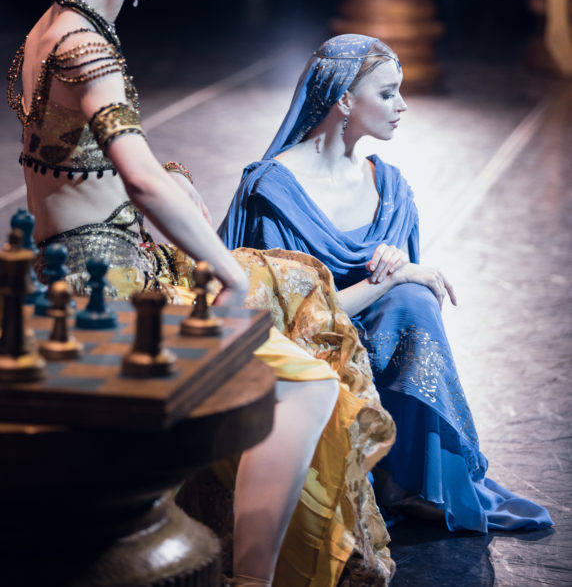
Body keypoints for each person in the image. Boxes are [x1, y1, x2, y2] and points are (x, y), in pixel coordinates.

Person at [8, 0, 395, 587]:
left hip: (81, 262)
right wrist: (216, 262)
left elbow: (85, 164)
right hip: (111, 285)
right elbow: (137, 178)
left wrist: (171, 185)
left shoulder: (48, 27)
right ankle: (250, 579)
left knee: (291, 281)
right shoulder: (88, 49)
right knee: (305, 378)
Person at [220, 33, 554, 535]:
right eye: (387, 93)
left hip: (366, 334)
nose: (402, 106)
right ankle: (369, 474)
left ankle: (406, 478)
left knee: (414, 301)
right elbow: (296, 322)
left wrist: (398, 275)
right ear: (344, 100)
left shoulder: (390, 188)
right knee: (406, 292)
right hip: (305, 346)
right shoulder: (274, 192)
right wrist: (392, 276)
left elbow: (399, 294)